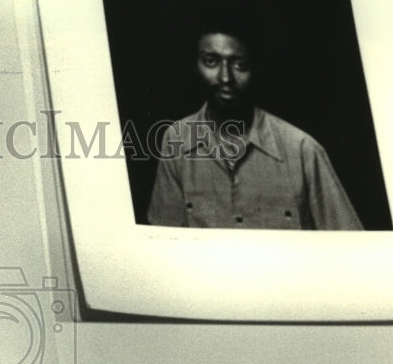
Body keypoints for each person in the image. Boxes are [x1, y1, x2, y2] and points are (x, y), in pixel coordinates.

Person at [146, 21, 364, 231]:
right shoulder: (176, 138)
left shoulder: (302, 149)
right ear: (194, 66)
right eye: (211, 61)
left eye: (239, 64)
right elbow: (165, 242)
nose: (225, 77)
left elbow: (350, 248)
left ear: (256, 68)